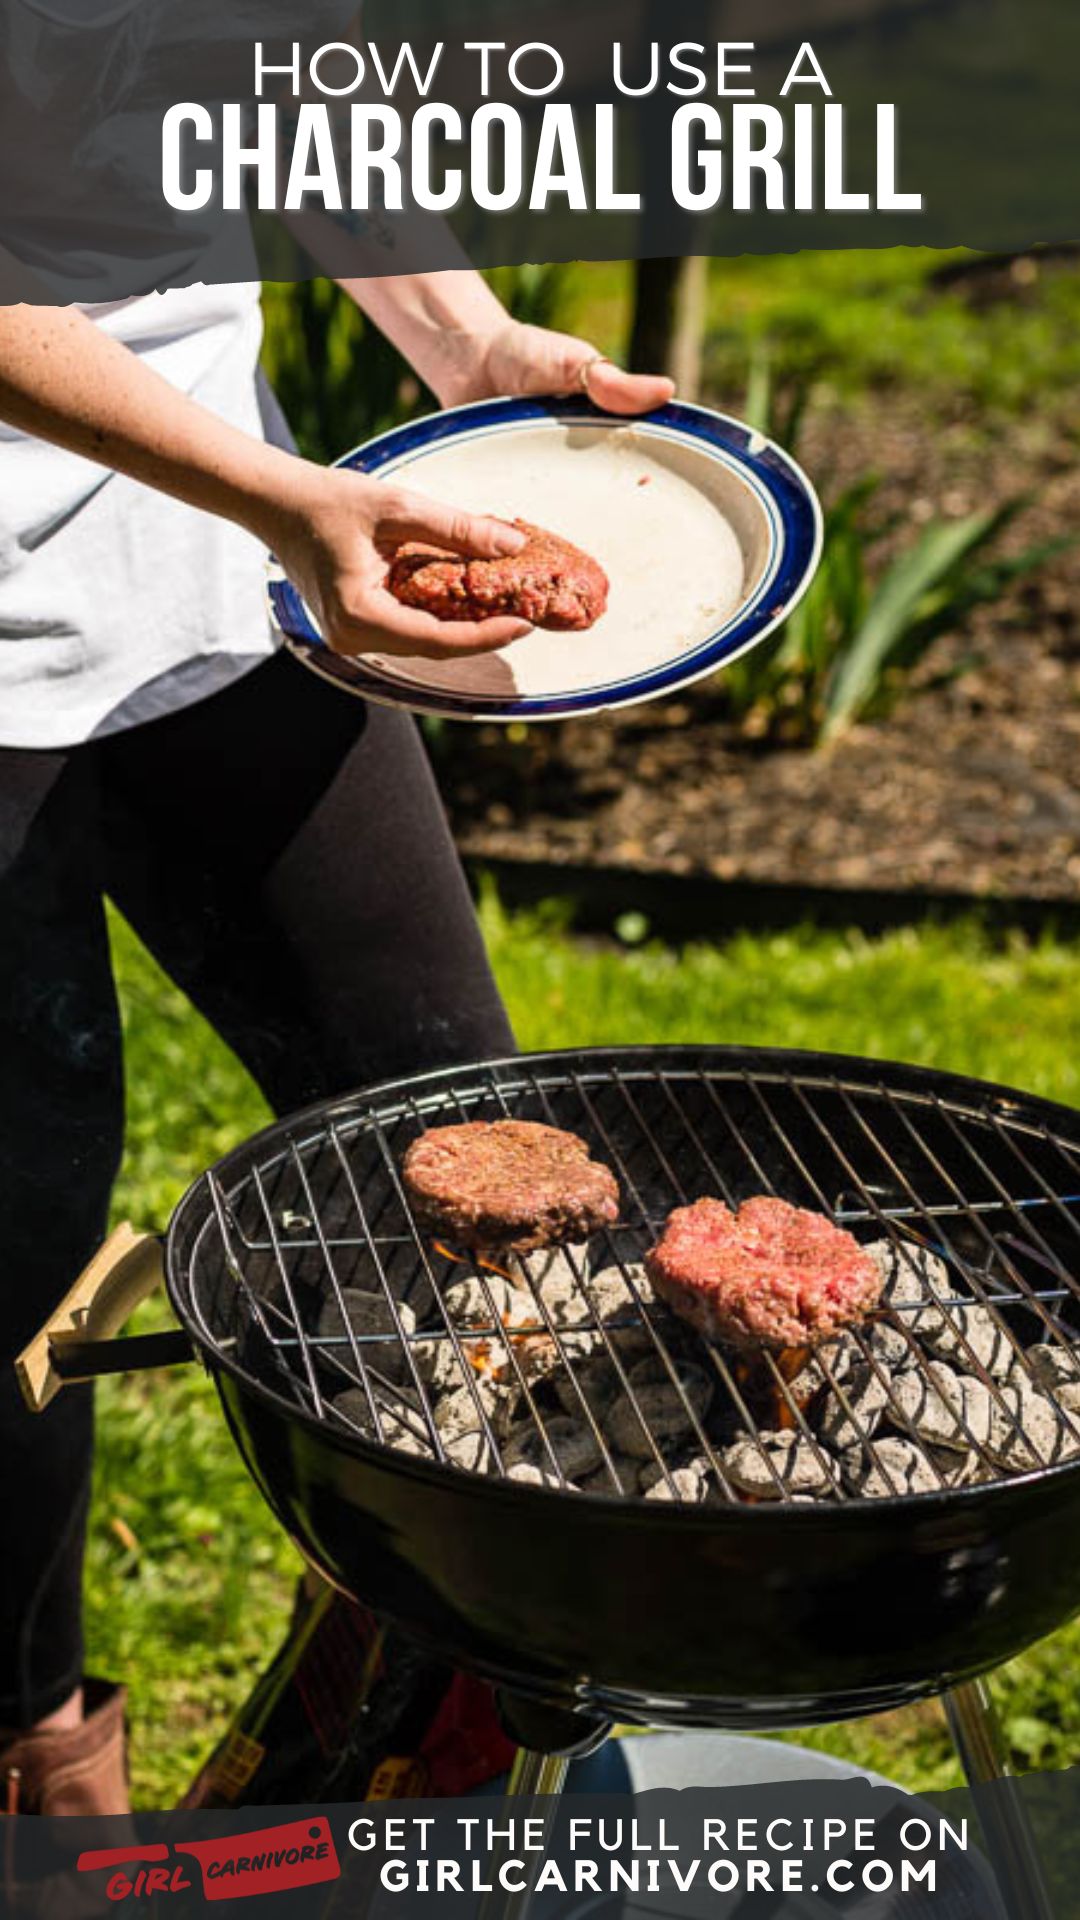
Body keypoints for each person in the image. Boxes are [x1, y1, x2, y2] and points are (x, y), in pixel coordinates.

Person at [0, 263, 672, 1816]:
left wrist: (471, 339)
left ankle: (406, 1718)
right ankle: (37, 1776)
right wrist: (281, 496)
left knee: (463, 1152)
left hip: (230, 579)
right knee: (17, 1246)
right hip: (217, 523)